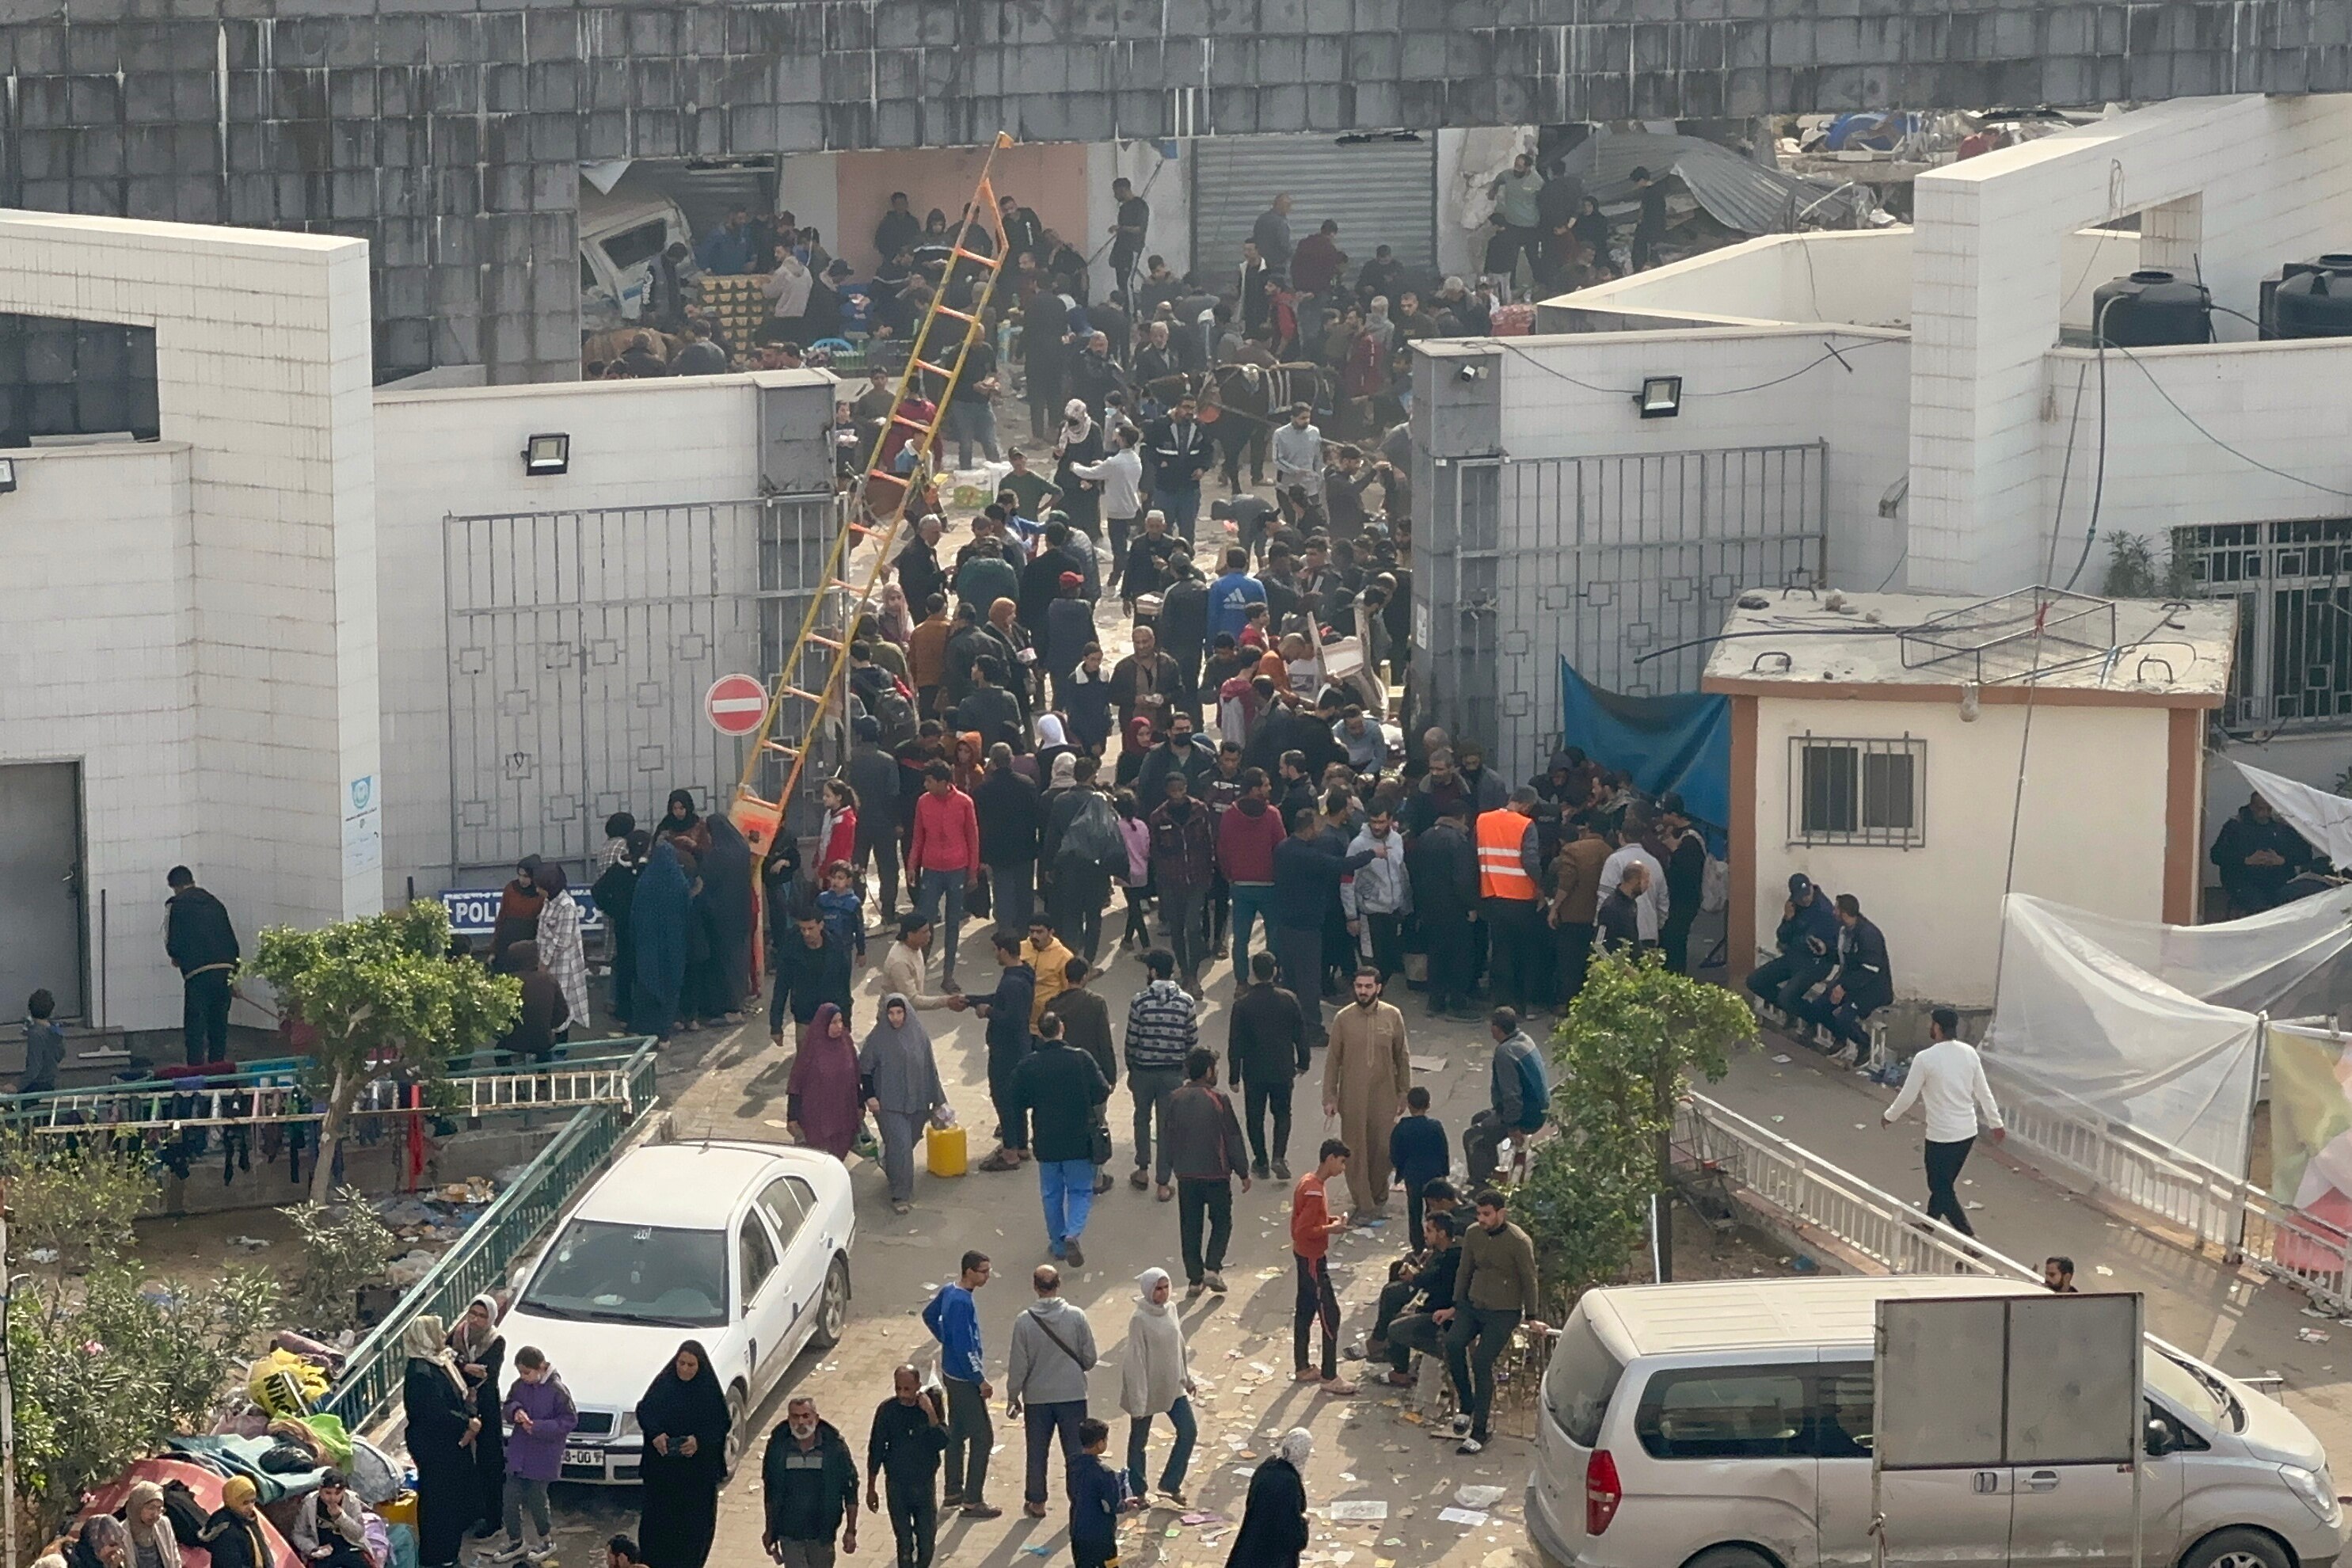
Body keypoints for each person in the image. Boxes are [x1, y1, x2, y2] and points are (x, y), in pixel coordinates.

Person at [1438, 1189, 1547, 1455]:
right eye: (1479, 1213)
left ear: (1501, 1213)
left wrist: (1532, 1316)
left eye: (1487, 1214)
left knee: (1482, 1362)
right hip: (1473, 1304)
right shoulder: (1473, 1234)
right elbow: (1465, 1270)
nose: (1482, 1219)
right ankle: (1467, 1405)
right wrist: (1456, 1304)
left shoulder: (1518, 1241)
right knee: (1453, 1344)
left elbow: (1529, 1279)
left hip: (1503, 1311)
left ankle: (1480, 1430)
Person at [1882, 1007, 2005, 1235]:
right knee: (1944, 1184)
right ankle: (1929, 1223)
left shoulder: (1925, 1059)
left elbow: (1908, 1096)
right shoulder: (1969, 1053)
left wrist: (1889, 1116)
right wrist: (1996, 1123)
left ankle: (1969, 1238)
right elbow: (1983, 1091)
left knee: (1939, 1186)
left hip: (1941, 1136)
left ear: (1937, 1027)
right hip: (1966, 1133)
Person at [1270, 807, 1377, 1045]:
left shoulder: (1282, 849)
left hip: (1285, 924)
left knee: (1290, 978)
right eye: (1317, 826)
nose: (1320, 831)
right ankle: (1312, 1029)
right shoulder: (1308, 856)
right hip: (1307, 927)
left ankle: (1288, 1025)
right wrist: (1372, 853)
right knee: (1309, 981)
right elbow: (1342, 864)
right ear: (1309, 828)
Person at [1014, 1010, 1113, 1264]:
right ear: (1062, 1028)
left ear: (1040, 1033)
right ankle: (1073, 1233)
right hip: (1079, 1138)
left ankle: (1058, 1246)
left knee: (1051, 1193)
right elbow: (1102, 1091)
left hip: (1046, 1139)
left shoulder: (1030, 1064)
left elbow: (1016, 1098)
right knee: (1080, 1190)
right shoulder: (1081, 1058)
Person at [1006, 1263, 1099, 1519]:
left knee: (1037, 1452)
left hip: (1037, 1399)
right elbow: (1090, 1358)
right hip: (1073, 1395)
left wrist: (1013, 1395)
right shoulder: (1077, 1316)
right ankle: (1078, 1501)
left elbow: (1018, 1365)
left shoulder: (1024, 1322)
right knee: (1076, 1452)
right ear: (1059, 1285)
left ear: (1035, 1287)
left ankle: (1036, 1502)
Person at [1323, 967, 1410, 1222]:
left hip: (1384, 1094)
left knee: (1382, 1148)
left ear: (1378, 988)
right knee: (1355, 1151)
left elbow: (1402, 1057)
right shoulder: (1343, 1018)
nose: (1363, 991)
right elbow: (1333, 1060)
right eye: (1359, 986)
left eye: (1368, 986)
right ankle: (1363, 1203)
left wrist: (1403, 1092)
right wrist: (1330, 1096)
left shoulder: (1392, 1016)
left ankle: (1379, 1195)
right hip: (1352, 1096)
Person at [1164, 1045, 1250, 1296]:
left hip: (1186, 1176)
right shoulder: (1219, 1099)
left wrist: (1162, 1177)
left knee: (1190, 1227)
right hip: (1216, 1174)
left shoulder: (1175, 1098)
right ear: (1209, 1071)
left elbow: (1167, 1138)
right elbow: (1232, 1137)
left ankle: (1194, 1279)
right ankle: (1212, 1267)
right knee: (1222, 1221)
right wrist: (1243, 1171)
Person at [635, 1342, 729, 1568]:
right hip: (663, 1480)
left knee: (692, 1539)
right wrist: (656, 1434)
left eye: (691, 1365)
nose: (685, 1369)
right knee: (656, 1534)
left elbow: (720, 1423)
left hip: (696, 1482)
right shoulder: (664, 1386)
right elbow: (645, 1410)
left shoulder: (708, 1392)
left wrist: (699, 1441)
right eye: (682, 1363)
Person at [924, 1251, 1001, 1518]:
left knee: (957, 1433)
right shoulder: (961, 1302)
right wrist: (980, 1380)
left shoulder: (949, 1291)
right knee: (983, 1437)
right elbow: (965, 1346)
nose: (987, 1276)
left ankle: (953, 1491)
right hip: (964, 1379)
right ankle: (972, 1499)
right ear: (969, 1271)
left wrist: (944, 1338)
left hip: (951, 1373)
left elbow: (929, 1315)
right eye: (983, 1271)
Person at [402, 1315, 479, 1568]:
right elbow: (434, 1412)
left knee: (452, 1500)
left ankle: (449, 1555)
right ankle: (439, 1558)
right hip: (435, 1447)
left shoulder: (438, 1362)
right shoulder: (421, 1373)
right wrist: (466, 1422)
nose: (443, 1334)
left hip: (447, 1443)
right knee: (440, 1503)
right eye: (437, 1331)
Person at [860, 994, 949, 1213]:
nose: (896, 1018)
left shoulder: (919, 1035)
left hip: (918, 1101)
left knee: (908, 1141)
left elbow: (930, 1068)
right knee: (901, 1147)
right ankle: (900, 1195)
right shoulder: (878, 1039)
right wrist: (870, 1096)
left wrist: (939, 1100)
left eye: (899, 1012)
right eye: (891, 1013)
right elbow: (865, 1070)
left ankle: (891, 1163)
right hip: (888, 1103)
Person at [1227, 951, 1308, 1182]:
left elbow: (1235, 1042)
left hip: (1254, 1071)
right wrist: (1303, 1061)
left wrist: (1234, 1076)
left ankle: (1261, 1161)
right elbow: (1300, 1034)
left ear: (1253, 973)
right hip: (1282, 1068)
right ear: (1275, 971)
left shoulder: (1242, 1005)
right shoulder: (1288, 999)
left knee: (1255, 1116)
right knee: (1282, 1113)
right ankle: (1279, 1156)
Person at [1123, 949, 1198, 1197]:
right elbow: (1192, 1040)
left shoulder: (1139, 1001)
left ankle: (1142, 1169)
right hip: (1173, 1074)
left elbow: (1131, 1040)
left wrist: (1132, 1068)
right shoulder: (1186, 1002)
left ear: (1153, 971)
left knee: (1141, 1118)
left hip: (1144, 1071)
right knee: (1167, 1126)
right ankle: (1163, 1183)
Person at [493, 1346, 577, 1566]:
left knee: (537, 1500)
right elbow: (508, 1404)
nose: (524, 1377)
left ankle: (546, 1540)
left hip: (543, 1455)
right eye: (520, 1373)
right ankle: (515, 1540)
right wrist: (516, 1411)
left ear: (540, 1367)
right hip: (519, 1452)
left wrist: (538, 1427)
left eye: (527, 1372)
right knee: (510, 1498)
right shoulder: (519, 1386)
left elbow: (569, 1420)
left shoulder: (557, 1390)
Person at [761, 1395, 858, 1568]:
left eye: (806, 1416)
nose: (801, 1422)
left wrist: (850, 1531)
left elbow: (850, 1488)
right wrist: (770, 1529)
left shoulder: (834, 1448)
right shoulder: (778, 1448)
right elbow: (770, 1489)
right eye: (795, 1417)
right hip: (789, 1532)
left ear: (816, 1418)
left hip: (821, 1534)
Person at [908, 761, 981, 989]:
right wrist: (912, 866)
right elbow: (918, 837)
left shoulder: (964, 803)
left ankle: (948, 974)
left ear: (943, 782)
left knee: (952, 924)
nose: (926, 785)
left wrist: (972, 871)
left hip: (957, 869)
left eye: (929, 781)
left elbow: (973, 838)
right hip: (931, 869)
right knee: (924, 920)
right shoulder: (923, 802)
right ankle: (919, 968)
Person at [867, 1366, 950, 1568]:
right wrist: (871, 1487)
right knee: (904, 1542)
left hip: (924, 1486)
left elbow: (942, 1441)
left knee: (926, 1541)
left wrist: (930, 1413)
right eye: (899, 1389)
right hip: (897, 1486)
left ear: (918, 1386)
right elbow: (876, 1448)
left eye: (907, 1389)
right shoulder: (887, 1410)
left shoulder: (929, 1407)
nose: (903, 1394)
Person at [1290, 1139, 1354, 1394]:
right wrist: (1331, 1229)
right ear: (1330, 1159)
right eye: (1341, 1162)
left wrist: (1330, 1221)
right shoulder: (1315, 1191)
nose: (1343, 1168)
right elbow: (1303, 1230)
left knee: (1305, 1311)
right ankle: (1329, 1376)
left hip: (1303, 1256)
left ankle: (1303, 1366)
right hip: (1313, 1259)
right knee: (1330, 1314)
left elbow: (1308, 1220)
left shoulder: (1308, 1182)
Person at [972, 931, 1040, 1172]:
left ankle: (1010, 1151)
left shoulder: (1012, 982)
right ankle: (1021, 1145)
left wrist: (987, 1011)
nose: (995, 955)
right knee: (1017, 1098)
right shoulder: (1023, 973)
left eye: (995, 950)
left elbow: (1010, 1017)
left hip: (1006, 1051)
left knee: (1004, 1098)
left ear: (1003, 950)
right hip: (1019, 1047)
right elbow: (1001, 999)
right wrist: (971, 1000)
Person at [1376, 1208, 1465, 1391]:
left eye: (1429, 1231)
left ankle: (1405, 1369)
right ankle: (1390, 1353)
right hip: (1431, 1303)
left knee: (1396, 1326)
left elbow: (1438, 1288)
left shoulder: (1452, 1258)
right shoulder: (1442, 1250)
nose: (1425, 1235)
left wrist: (1415, 1279)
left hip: (1441, 1314)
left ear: (1442, 1233)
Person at [1799, 892, 1895, 1063]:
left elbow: (1870, 970)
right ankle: (1840, 1037)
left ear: (1844, 913)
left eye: (1836, 909)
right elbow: (1845, 958)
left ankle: (1864, 1044)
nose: (1833, 912)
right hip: (1850, 982)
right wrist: (1825, 951)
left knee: (1844, 1016)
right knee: (1821, 1006)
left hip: (1872, 988)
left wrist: (1844, 987)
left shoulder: (1868, 935)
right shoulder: (1845, 931)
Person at [1476, 786, 1546, 1011]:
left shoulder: (1483, 820)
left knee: (1500, 951)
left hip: (1493, 895)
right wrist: (1542, 886)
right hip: (1522, 897)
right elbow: (1530, 861)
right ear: (1526, 805)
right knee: (1524, 952)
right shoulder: (1526, 825)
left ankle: (1501, 1001)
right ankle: (1523, 1003)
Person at [1406, 802, 1479, 1017]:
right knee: (1459, 955)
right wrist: (1471, 906)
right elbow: (1463, 879)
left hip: (1428, 906)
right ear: (1462, 817)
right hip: (1454, 908)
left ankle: (1435, 1001)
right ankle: (1458, 1002)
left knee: (1436, 953)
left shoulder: (1425, 837)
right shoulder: (1459, 842)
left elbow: (1414, 871)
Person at [1464, 1007, 1550, 1187]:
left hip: (1526, 1115)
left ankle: (1481, 1185)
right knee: (1479, 1119)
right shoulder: (1524, 1040)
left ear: (1496, 1028)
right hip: (1536, 1107)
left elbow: (1512, 1096)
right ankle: (1491, 1170)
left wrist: (1513, 1126)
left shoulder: (1505, 1053)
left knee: (1473, 1137)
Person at [164, 866, 239, 1068]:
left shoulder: (176, 905)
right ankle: (218, 1069)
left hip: (198, 973)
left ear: (175, 887)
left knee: (195, 1026)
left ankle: (196, 1070)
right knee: (219, 1025)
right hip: (225, 970)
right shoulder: (216, 904)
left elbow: (172, 941)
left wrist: (176, 956)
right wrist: (234, 975)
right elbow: (230, 939)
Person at [448, 1292, 508, 1540]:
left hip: (486, 1408)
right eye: (473, 1313)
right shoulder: (457, 1335)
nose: (475, 1320)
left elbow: (486, 1373)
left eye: (482, 1316)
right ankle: (469, 1513)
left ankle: (493, 1520)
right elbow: (446, 1359)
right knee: (463, 1462)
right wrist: (464, 1367)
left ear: (491, 1318)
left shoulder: (496, 1341)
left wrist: (458, 1367)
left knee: (489, 1463)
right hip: (460, 1407)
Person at [1745, 871, 1840, 1020]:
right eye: (1801, 898)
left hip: (1815, 963)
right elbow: (1782, 936)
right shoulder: (1794, 905)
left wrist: (1793, 942)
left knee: (1787, 997)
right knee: (1755, 981)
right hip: (1794, 956)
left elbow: (1810, 943)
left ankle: (1814, 1018)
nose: (1805, 900)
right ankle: (1793, 1010)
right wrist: (1788, 919)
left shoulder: (1824, 910)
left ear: (1811, 888)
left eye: (1807, 895)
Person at [1548, 812, 1611, 1008]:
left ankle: (1567, 1005)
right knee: (1591, 963)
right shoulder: (1611, 853)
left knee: (1569, 964)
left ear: (1588, 827)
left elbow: (1566, 884)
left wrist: (1554, 908)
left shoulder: (1573, 850)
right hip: (1598, 917)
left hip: (1573, 915)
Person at [2212, 792, 2313, 913]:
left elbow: (2306, 854)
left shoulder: (2282, 827)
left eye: (2269, 809)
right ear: (2252, 807)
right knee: (2257, 906)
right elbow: (2216, 855)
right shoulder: (2235, 827)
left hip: (2279, 880)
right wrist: (2245, 860)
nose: (2264, 813)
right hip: (2244, 880)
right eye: (2260, 809)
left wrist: (2283, 860)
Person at [631, 840, 693, 1041]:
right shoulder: (679, 882)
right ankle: (664, 1031)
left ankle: (646, 1029)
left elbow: (635, 914)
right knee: (672, 983)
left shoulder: (645, 882)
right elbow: (687, 911)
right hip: (674, 942)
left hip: (648, 941)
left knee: (648, 981)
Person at [1225, 1429, 1311, 1568]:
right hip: (1274, 1556)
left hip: (1250, 1543)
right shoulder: (1289, 1482)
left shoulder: (1267, 1466)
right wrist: (1303, 1522)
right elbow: (1293, 1535)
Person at [772, 910, 854, 1048]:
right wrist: (776, 1026)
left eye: (810, 928)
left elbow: (844, 985)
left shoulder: (836, 947)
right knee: (806, 1057)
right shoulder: (791, 951)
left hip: (832, 1015)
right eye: (803, 929)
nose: (806, 933)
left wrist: (846, 1019)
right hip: (805, 1016)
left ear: (821, 925)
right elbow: (781, 987)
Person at [531, 862, 591, 1029]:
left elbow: (562, 941)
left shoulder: (567, 906)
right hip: (546, 961)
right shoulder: (549, 900)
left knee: (561, 1006)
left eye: (540, 887)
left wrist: (544, 963)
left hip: (562, 964)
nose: (537, 890)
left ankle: (561, 1043)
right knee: (548, 1004)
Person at [1387, 1086, 1450, 1243]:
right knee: (1434, 1210)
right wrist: (1444, 1173)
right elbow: (1443, 1151)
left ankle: (1417, 1246)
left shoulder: (1401, 1128)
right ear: (1428, 1105)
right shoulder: (1435, 1126)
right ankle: (1434, 1241)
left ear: (1409, 1105)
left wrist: (1400, 1171)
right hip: (1433, 1174)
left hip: (1413, 1175)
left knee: (1414, 1211)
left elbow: (1395, 1153)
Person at [1068, 1418, 1132, 1568]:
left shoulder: (1072, 1464)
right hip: (1101, 1534)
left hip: (1078, 1529)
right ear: (1100, 1443)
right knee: (1110, 1565)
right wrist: (1125, 1505)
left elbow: (1071, 1492)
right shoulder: (1105, 1473)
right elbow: (1112, 1506)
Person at [494, 941, 570, 1063]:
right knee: (545, 1052)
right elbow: (563, 1012)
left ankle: (510, 1075)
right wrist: (547, 1025)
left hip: (514, 1041)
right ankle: (543, 1074)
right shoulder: (549, 980)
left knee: (499, 1055)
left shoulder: (507, 982)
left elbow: (498, 1015)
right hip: (544, 1039)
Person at [288, 1471, 369, 1568]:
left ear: (344, 1491)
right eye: (328, 1493)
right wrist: (313, 1549)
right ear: (319, 1489)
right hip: (322, 1551)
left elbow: (358, 1534)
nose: (332, 1498)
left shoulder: (351, 1501)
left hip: (349, 1547)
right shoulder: (310, 1503)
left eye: (337, 1493)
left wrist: (340, 1517)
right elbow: (298, 1534)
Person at [197, 1480, 270, 1568]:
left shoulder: (249, 1521)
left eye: (253, 1501)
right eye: (245, 1503)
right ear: (232, 1501)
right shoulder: (227, 1531)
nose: (250, 1507)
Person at [121, 1482, 185, 1568]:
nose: (156, 1514)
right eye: (151, 1508)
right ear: (137, 1507)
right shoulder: (120, 1534)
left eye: (159, 1509)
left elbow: (175, 1560)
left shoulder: (163, 1524)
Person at [1597, 861, 1647, 954]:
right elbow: (1598, 945)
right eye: (1646, 881)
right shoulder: (1610, 908)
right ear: (1635, 881)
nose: (1648, 886)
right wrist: (1613, 962)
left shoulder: (1632, 904)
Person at [19, 988, 62, 1096]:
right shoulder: (55, 1030)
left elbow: (34, 1068)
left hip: (37, 1084)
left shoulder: (35, 1034)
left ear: (30, 1010)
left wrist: (17, 1086)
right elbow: (61, 1054)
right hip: (50, 1081)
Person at [1629, 165, 1669, 271]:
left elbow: (1651, 213)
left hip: (1651, 228)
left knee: (1650, 253)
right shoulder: (1657, 190)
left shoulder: (1651, 193)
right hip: (1656, 226)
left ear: (1642, 180)